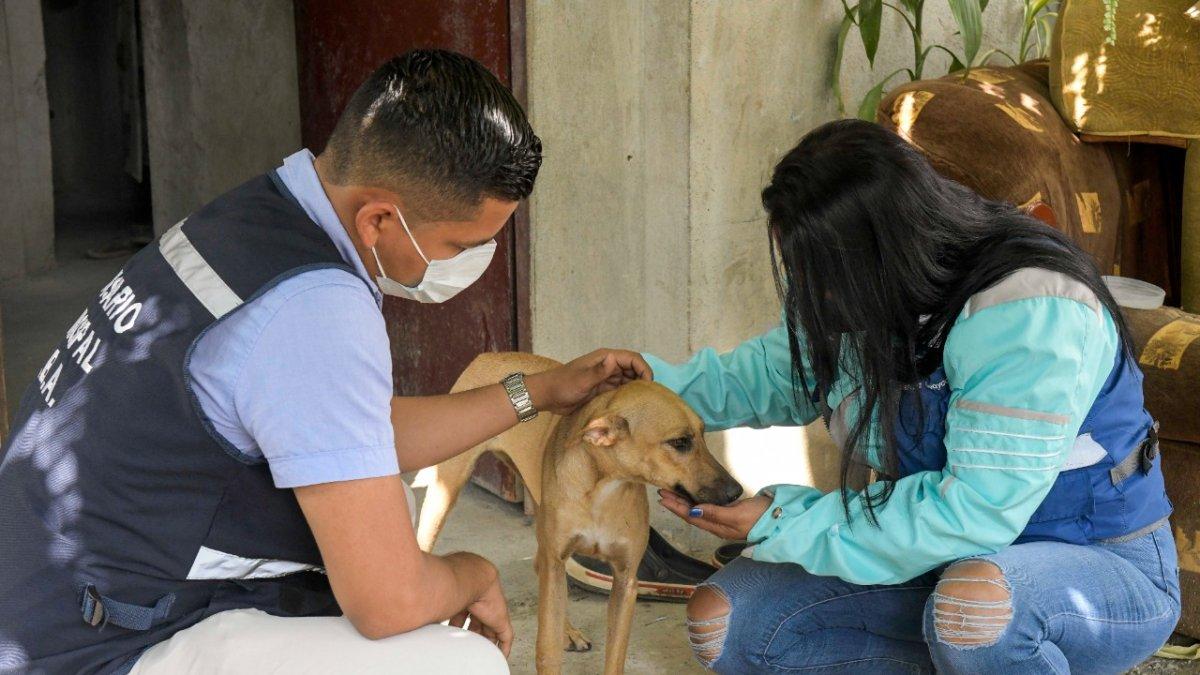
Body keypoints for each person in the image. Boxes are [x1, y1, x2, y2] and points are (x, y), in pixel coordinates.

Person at [0, 50, 650, 674]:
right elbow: (386, 599)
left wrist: (536, 390)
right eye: (463, 243)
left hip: (52, 595)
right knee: (459, 660)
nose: (473, 263)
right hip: (94, 644)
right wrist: (472, 572)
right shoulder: (315, 307)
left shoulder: (259, 214)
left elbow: (347, 426)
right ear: (379, 220)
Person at [650, 119, 1180, 674]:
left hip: (1096, 568)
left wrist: (783, 519)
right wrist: (633, 390)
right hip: (936, 562)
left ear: (881, 253)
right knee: (725, 621)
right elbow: (766, 376)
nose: (811, 291)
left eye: (822, 272)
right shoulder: (858, 295)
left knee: (971, 613)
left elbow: (973, 512)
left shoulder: (1028, 310)